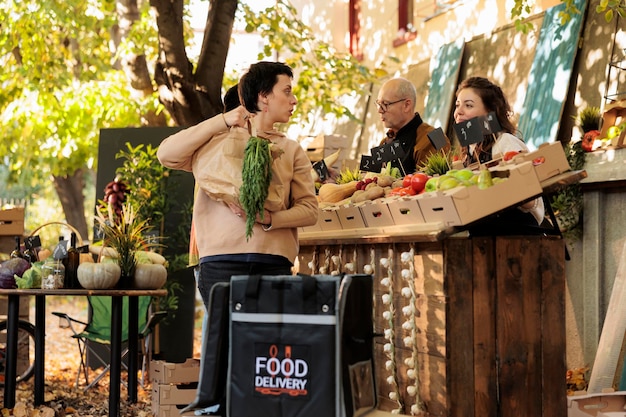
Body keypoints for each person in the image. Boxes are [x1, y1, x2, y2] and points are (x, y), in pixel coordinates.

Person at [157, 61, 319, 415]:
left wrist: (270, 218)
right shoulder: (216, 142)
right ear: (263, 97)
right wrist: (225, 120)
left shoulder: (291, 150)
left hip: (273, 263)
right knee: (225, 349)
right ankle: (217, 409)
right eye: (286, 91)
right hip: (220, 264)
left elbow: (310, 210)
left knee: (268, 354)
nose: (293, 100)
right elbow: (166, 153)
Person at [453, 76, 545, 234]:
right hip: (486, 236)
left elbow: (531, 202)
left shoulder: (505, 143)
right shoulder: (469, 152)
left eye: (468, 105)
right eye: (457, 105)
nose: (459, 112)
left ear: (489, 112)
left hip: (518, 233)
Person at [376, 77, 450, 175]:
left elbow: (433, 182)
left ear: (407, 105)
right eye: (378, 104)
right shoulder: (384, 143)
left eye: (385, 104)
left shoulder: (435, 136)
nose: (380, 110)